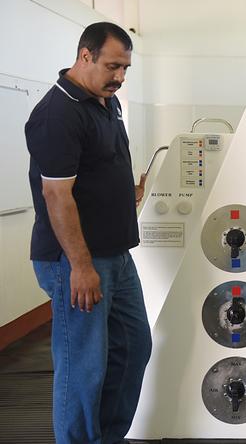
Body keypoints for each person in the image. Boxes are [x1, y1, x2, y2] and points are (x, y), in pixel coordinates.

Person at [25, 22, 151, 444]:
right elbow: (57, 196)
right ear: (85, 56)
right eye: (113, 66)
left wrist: (129, 191)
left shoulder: (104, 102)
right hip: (75, 261)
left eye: (125, 68)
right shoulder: (57, 113)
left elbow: (98, 169)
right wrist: (80, 266)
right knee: (83, 367)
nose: (120, 76)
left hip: (116, 255)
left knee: (134, 348)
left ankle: (106, 438)